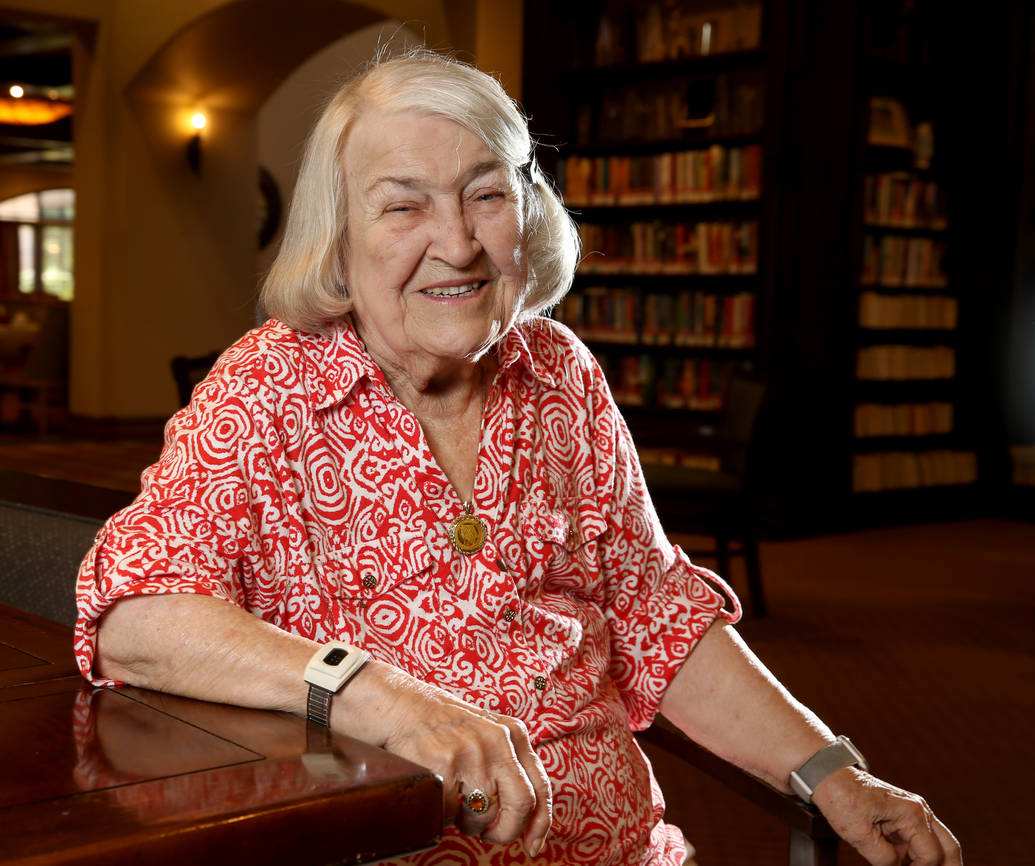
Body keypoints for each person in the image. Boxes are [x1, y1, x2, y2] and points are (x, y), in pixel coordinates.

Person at [75, 49, 962, 866]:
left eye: (486, 194)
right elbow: (135, 618)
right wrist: (381, 698)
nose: (457, 243)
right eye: (403, 204)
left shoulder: (559, 373)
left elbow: (657, 614)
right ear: (339, 234)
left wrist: (831, 774)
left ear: (526, 211)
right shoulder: (270, 386)